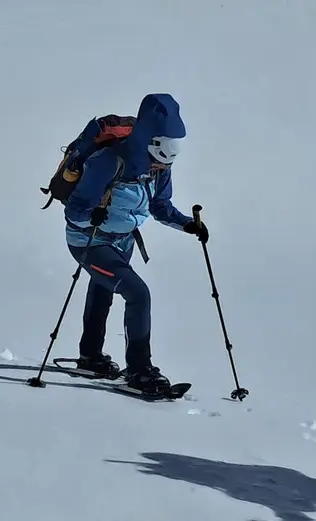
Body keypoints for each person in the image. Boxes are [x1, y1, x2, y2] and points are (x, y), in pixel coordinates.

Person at [58, 93, 209, 396]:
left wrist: (187, 224)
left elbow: (160, 206)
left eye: (172, 152)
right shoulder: (109, 161)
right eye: (162, 152)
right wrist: (94, 216)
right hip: (89, 241)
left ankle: (91, 357)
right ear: (149, 141)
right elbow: (74, 212)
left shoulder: (160, 167)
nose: (163, 164)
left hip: (123, 240)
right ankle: (140, 370)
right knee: (138, 294)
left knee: (104, 291)